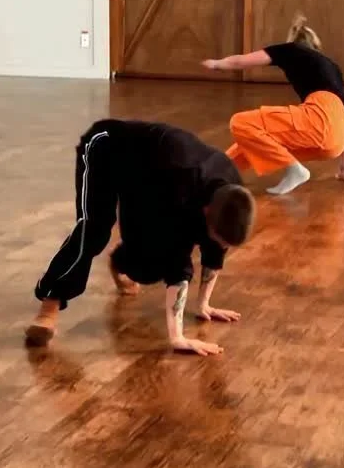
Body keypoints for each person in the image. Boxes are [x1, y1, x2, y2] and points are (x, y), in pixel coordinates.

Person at [25, 119, 256, 357]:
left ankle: (121, 260)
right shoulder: (180, 185)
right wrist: (177, 338)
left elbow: (215, 248)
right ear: (206, 211)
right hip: (105, 149)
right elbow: (177, 261)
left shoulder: (234, 194)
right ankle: (49, 307)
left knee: (147, 270)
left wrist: (203, 304)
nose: (220, 247)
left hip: (148, 176)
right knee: (94, 229)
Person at [202, 13, 344, 194]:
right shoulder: (333, 67)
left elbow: (242, 61)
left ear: (293, 41)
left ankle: (294, 170)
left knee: (241, 123)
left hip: (320, 122)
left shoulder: (290, 49)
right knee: (256, 140)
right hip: (336, 140)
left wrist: (216, 64)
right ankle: (214, 174)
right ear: (315, 46)